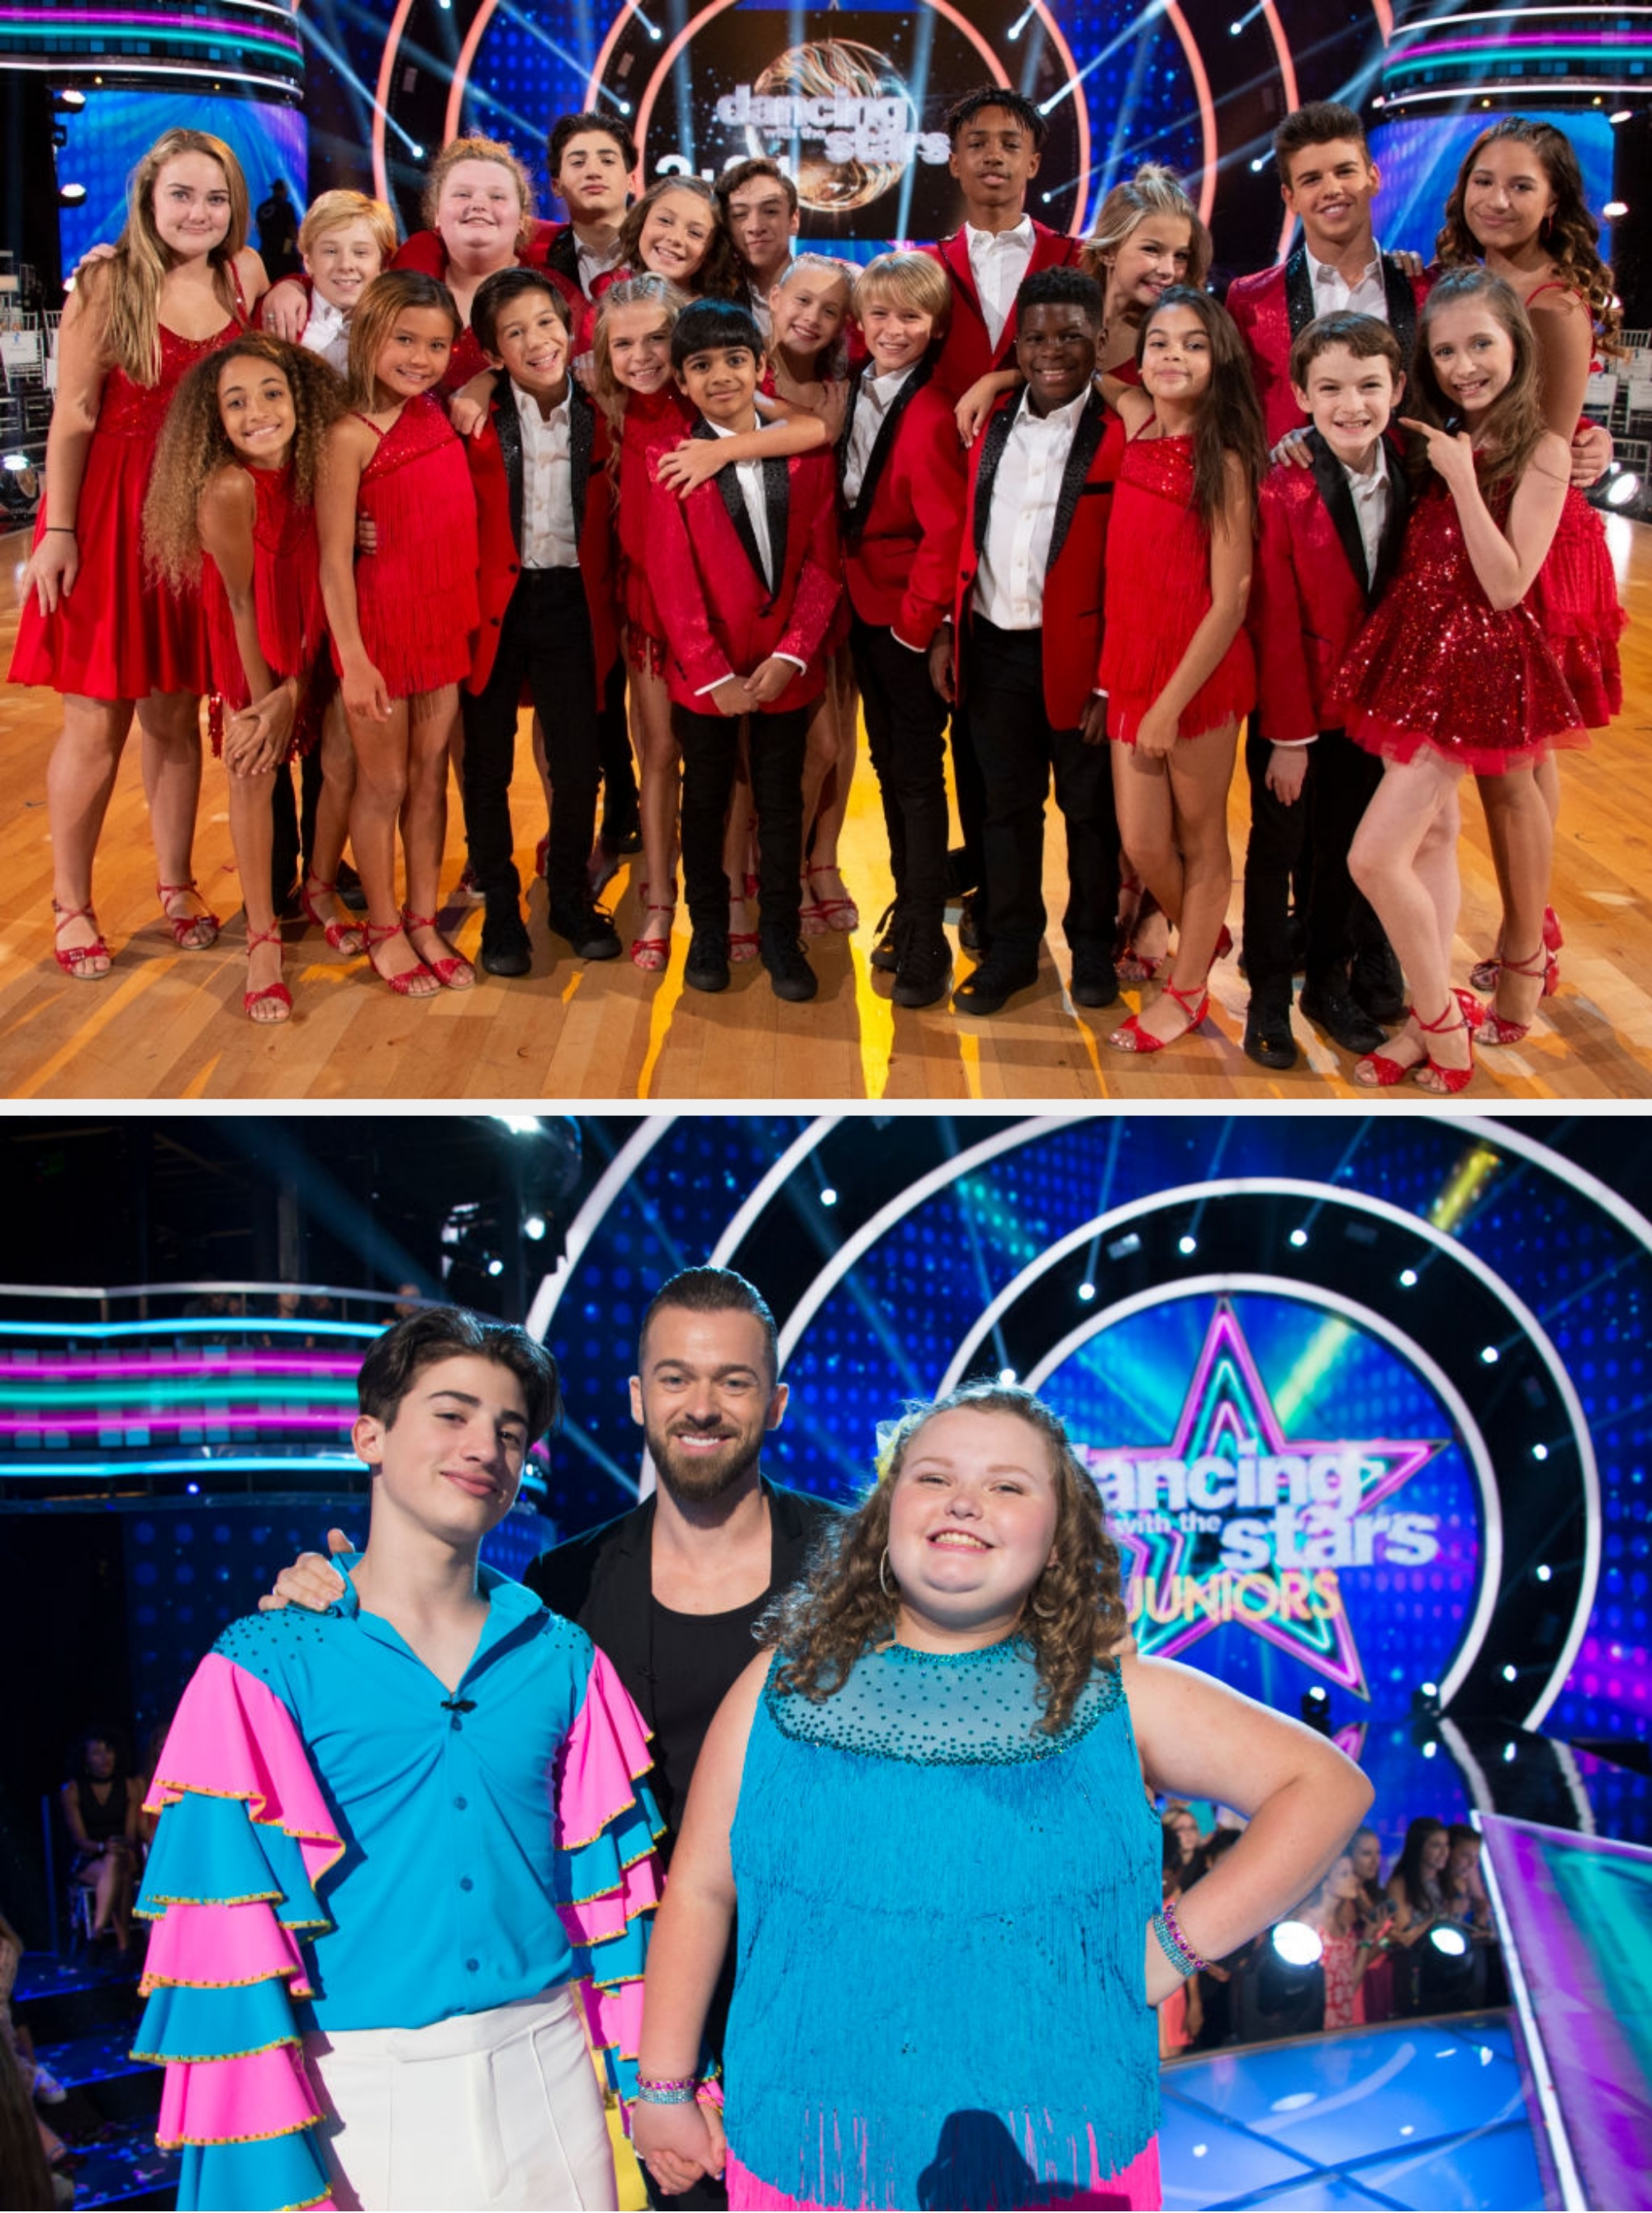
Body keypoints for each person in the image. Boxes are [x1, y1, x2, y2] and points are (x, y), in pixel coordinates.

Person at [629, 1381, 1374, 2211]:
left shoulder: (1116, 1697)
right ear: (885, 1515)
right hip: (810, 2154)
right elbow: (700, 1888)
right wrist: (662, 2089)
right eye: (934, 1477)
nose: (964, 1502)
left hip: (1058, 2155)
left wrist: (1165, 1954)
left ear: (1057, 1542)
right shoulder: (783, 1684)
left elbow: (1324, 1786)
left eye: (1007, 1485)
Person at [261, 1266, 843, 2213]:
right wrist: (332, 1593)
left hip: (829, 2002)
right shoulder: (564, 1587)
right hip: (645, 2013)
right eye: (675, 1378)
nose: (701, 1405)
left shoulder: (854, 1571)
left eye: (733, 1381)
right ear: (637, 1398)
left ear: (776, 1403)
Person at [133, 1307, 662, 2211]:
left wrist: (651, 2080)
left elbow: (614, 1899)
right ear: (369, 1436)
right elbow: (220, 1937)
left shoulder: (565, 1659)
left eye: (510, 1431)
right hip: (356, 2093)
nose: (484, 1447)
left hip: (549, 2077)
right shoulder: (263, 1662)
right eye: (451, 1414)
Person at [8, 128, 266, 980]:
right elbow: (76, 415)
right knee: (96, 721)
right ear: (148, 201)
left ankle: (176, 885)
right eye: (181, 195)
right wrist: (59, 530)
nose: (199, 212)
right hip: (113, 518)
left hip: (198, 523)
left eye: (215, 197)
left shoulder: (246, 275)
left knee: (175, 714)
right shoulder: (107, 281)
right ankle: (72, 904)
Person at [1334, 268, 1581, 1090]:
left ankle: (1442, 1022)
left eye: (1480, 344)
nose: (1463, 365)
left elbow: (1507, 584)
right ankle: (1422, 1017)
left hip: (1472, 671)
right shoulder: (1430, 434)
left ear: (1516, 344)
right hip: (1414, 660)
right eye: (1444, 351)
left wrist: (1465, 478)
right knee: (1432, 841)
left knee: (1373, 857)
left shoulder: (1541, 449)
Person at [1439, 116, 1626, 1004]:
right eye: (1484, 180)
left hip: (1527, 543)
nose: (1497, 200)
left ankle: (1523, 947)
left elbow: (1547, 449)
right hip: (1474, 525)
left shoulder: (1552, 304)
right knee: (1523, 754)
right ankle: (1534, 923)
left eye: (1520, 185)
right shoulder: (1457, 280)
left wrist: (1587, 443)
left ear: (1554, 202)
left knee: (1511, 755)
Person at [142, 335, 349, 1021]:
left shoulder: (320, 468)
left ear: (299, 401)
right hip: (253, 647)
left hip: (313, 638)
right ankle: (262, 937)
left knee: (343, 759)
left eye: (271, 394)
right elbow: (239, 603)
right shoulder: (229, 487)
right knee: (253, 768)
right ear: (216, 420)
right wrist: (268, 703)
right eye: (236, 403)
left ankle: (320, 888)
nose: (257, 412)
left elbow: (331, 567)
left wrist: (301, 687)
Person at [645, 298, 843, 1004]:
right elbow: (671, 582)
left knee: (782, 803)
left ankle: (781, 934)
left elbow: (823, 562)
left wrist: (794, 653)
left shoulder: (805, 453)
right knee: (703, 802)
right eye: (701, 366)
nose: (721, 376)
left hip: (785, 671)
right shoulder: (668, 462)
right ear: (681, 381)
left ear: (760, 366)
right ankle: (707, 930)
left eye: (734, 360)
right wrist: (712, 675)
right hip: (710, 678)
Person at [946, 267, 1122, 1020]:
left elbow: (1131, 566)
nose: (1053, 351)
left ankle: (1092, 945)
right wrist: (949, 629)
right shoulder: (988, 419)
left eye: (1071, 336)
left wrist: (1110, 680)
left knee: (1090, 811)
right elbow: (966, 530)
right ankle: (1014, 947)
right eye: (1037, 338)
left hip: (1080, 658)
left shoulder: (1123, 429)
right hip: (993, 649)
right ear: (1016, 347)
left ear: (1100, 340)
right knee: (1005, 809)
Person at [927, 87, 1080, 933]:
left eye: (1009, 142)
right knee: (977, 741)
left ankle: (1086, 924)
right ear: (952, 161)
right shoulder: (922, 266)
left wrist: (1001, 376)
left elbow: (1093, 359)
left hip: (1051, 516)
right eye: (976, 142)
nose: (992, 155)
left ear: (1033, 161)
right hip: (950, 525)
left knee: (1073, 767)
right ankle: (991, 899)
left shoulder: (1076, 257)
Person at [1241, 311, 1410, 1070]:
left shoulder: (1413, 469)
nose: (1352, 404)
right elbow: (1275, 619)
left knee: (1345, 850)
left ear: (1397, 388)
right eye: (1331, 388)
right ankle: (1268, 994)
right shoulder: (1281, 486)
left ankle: (1329, 983)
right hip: (1298, 713)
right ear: (1303, 396)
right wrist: (1288, 736)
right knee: (1275, 851)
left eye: (1369, 386)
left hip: (1374, 714)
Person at [1100, 287, 1266, 1052]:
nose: (1174, 356)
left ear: (1219, 359)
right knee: (1142, 843)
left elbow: (1231, 601)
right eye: (1161, 342)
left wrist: (1169, 705)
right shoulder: (1136, 421)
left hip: (1196, 675)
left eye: (1194, 344)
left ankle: (1188, 988)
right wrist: (996, 379)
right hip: (1129, 665)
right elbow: (1091, 375)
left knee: (1201, 839)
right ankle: (1203, 931)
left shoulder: (1223, 463)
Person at [317, 270, 481, 996]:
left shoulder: (437, 411)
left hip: (442, 623)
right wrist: (352, 658)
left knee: (429, 777)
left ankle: (422, 918)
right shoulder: (347, 434)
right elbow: (331, 560)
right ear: (368, 337)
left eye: (436, 346)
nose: (420, 358)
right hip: (380, 630)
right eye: (404, 340)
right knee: (382, 782)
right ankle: (384, 926)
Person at [461, 269, 620, 976]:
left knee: (578, 763)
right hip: (493, 604)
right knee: (486, 765)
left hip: (574, 603)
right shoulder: (472, 415)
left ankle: (567, 896)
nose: (536, 341)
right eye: (514, 332)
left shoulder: (604, 410)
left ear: (571, 326)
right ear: (492, 353)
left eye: (546, 323)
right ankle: (500, 907)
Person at [838, 251, 965, 1009]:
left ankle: (928, 935)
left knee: (917, 780)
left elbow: (945, 533)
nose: (893, 328)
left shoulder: (935, 409)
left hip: (904, 622)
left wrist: (918, 632)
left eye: (911, 317)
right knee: (890, 771)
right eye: (879, 314)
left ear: (937, 326)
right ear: (859, 321)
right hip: (861, 607)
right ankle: (909, 908)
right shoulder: (854, 384)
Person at [1225, 103, 1429, 451]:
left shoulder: (1424, 288)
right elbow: (1234, 416)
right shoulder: (1250, 300)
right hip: (1291, 484)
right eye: (1312, 179)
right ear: (1290, 197)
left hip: (1415, 480)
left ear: (1373, 178)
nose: (1332, 189)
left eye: (1344, 171)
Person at [765, 257, 858, 945]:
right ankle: (773, 870)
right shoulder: (738, 372)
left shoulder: (840, 386)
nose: (812, 318)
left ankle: (814, 860)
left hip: (827, 579)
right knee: (768, 751)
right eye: (802, 300)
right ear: (774, 297)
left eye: (830, 311)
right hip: (760, 584)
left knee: (831, 741)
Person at [281, 188, 397, 374]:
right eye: (331, 251)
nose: (345, 265)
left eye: (360, 253)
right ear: (308, 261)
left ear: (383, 263)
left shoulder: (398, 325)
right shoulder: (279, 316)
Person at [61, 1732, 142, 1949]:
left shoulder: (129, 1787)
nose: (104, 1757)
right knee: (119, 1874)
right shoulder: (73, 1791)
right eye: (96, 1753)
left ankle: (96, 1935)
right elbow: (79, 1839)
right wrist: (102, 1847)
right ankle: (123, 1945)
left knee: (116, 1862)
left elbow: (130, 1834)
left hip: (123, 1854)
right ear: (85, 1758)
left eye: (108, 1750)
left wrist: (117, 1847)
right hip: (89, 1858)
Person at [544, 112, 636, 303]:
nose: (593, 172)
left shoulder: (659, 251)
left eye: (608, 161)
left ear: (632, 181)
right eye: (578, 163)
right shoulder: (541, 262)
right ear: (556, 186)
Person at [715, 159, 800, 330]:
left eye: (770, 211)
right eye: (740, 214)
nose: (755, 227)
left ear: (794, 220)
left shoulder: (834, 286)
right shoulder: (713, 301)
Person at [254, 177, 301, 279]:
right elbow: (291, 231)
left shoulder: (261, 207)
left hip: (266, 254)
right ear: (284, 191)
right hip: (283, 256)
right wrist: (289, 251)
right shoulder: (286, 206)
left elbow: (259, 229)